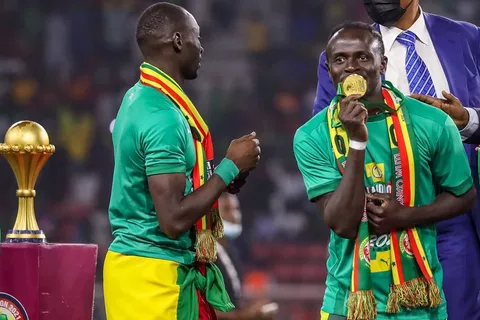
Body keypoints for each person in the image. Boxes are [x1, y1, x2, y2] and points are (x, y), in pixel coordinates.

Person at [294, 21, 476, 320]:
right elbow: (342, 224)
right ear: (329, 71)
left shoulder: (432, 122)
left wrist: (405, 216)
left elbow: (464, 196)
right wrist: (356, 142)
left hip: (419, 301)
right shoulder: (311, 136)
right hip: (348, 302)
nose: (351, 67)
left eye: (363, 57)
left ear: (383, 64)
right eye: (340, 59)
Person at [103, 3, 261, 320]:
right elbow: (173, 220)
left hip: (136, 269)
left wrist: (228, 177)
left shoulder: (137, 97)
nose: (201, 47)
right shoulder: (163, 116)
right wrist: (230, 166)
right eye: (196, 37)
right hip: (156, 278)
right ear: (178, 41)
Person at [215, 193, 278, 320]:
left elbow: (231, 302)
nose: (235, 216)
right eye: (227, 209)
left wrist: (253, 309)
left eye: (237, 209)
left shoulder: (231, 253)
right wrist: (243, 316)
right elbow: (197, 306)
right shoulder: (203, 254)